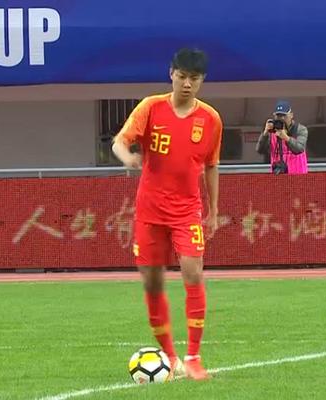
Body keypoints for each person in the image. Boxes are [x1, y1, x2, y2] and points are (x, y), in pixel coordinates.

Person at [112, 48, 222, 380]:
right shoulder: (150, 107)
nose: (187, 83)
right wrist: (128, 158)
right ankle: (171, 357)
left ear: (202, 81)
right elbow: (119, 141)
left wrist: (214, 210)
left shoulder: (211, 119)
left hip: (187, 211)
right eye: (182, 76)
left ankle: (194, 357)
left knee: (192, 272)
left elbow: (212, 166)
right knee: (153, 282)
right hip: (149, 212)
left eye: (194, 78)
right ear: (171, 74)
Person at [256, 100, 308, 174]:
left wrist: (286, 138)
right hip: (278, 174)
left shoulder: (300, 129)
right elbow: (260, 150)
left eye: (284, 116)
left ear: (291, 115)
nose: (281, 118)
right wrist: (265, 134)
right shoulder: (272, 132)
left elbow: (299, 149)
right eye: (278, 116)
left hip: (298, 173)